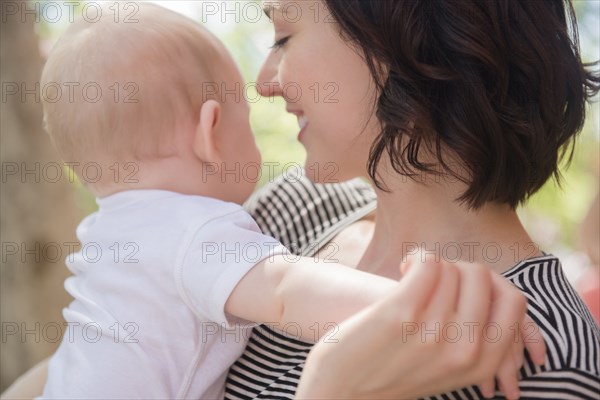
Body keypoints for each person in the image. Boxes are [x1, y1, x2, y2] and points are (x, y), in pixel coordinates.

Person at [32, 3, 538, 399]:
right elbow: (286, 291)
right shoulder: (200, 232)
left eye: (284, 36)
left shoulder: (113, 230)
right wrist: (436, 311)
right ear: (211, 132)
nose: (265, 83)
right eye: (241, 113)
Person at [223, 0, 600, 398]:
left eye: (284, 37)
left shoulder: (550, 359)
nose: (265, 82)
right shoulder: (292, 211)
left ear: (400, 40)